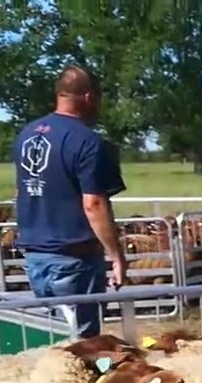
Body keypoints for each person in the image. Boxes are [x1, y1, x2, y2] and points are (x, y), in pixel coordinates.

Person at [12, 64, 127, 338]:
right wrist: (116, 257)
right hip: (74, 259)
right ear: (88, 97)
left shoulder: (26, 134)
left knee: (56, 338)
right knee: (84, 346)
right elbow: (94, 204)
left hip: (36, 258)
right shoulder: (88, 141)